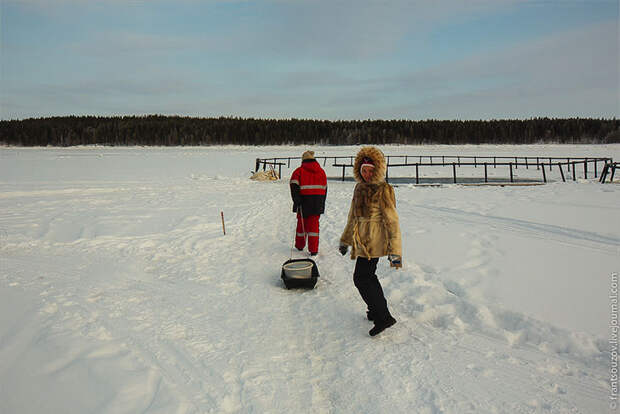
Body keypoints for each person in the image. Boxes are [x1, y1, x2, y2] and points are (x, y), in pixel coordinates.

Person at [339, 146, 402, 336]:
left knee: (361, 278)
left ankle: (384, 317)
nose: (367, 174)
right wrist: (345, 240)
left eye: (370, 170)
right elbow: (352, 217)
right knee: (369, 276)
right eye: (363, 170)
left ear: (378, 170)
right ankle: (375, 311)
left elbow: (392, 221)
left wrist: (395, 252)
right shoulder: (359, 188)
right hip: (361, 241)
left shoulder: (384, 189)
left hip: (374, 241)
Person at [289, 150, 327, 256]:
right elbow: (325, 189)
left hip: (303, 203)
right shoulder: (322, 172)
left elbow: (293, 187)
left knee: (302, 226)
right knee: (314, 228)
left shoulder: (298, 171)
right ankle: (313, 250)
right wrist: (322, 204)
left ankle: (300, 246)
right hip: (317, 204)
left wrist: (296, 201)